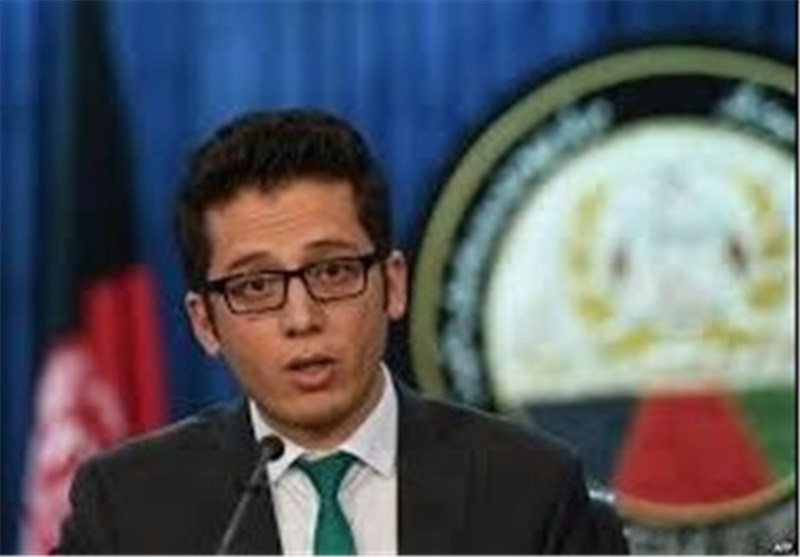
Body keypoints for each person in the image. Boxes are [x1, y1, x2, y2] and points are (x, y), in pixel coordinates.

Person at [54, 109, 628, 554]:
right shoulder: (127, 508)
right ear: (205, 322)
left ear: (392, 285)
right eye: (256, 286)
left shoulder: (532, 491)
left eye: (332, 272)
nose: (302, 319)